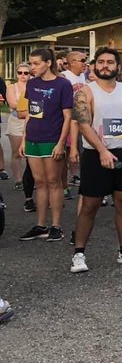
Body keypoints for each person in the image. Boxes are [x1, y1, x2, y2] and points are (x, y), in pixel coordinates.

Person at [68, 48, 122, 273]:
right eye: (101, 62)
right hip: (96, 154)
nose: (105, 66)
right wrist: (102, 150)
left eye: (110, 62)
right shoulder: (85, 92)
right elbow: (84, 124)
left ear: (118, 67)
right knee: (90, 205)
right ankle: (79, 254)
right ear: (95, 66)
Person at [17, 48, 73, 243]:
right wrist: (24, 139)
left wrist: (61, 144)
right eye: (31, 64)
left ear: (48, 63)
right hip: (33, 138)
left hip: (52, 139)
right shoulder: (31, 84)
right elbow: (30, 113)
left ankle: (56, 226)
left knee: (53, 182)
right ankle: (41, 225)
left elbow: (68, 117)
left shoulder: (63, 84)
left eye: (36, 63)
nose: (32, 68)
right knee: (39, 182)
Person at [6, 63, 32, 191]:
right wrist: (30, 107)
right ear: (16, 74)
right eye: (20, 72)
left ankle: (31, 179)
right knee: (16, 152)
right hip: (16, 121)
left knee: (30, 153)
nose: (22, 75)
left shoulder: (34, 86)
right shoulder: (11, 87)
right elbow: (12, 104)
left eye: (26, 73)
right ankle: (18, 179)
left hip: (32, 122)